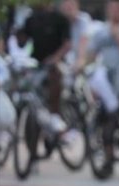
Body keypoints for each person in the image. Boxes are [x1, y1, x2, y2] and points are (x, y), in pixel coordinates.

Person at [85, 0, 119, 170]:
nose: (115, 11)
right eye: (112, 8)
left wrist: (118, 36)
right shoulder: (101, 30)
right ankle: (108, 158)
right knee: (108, 119)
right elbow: (91, 53)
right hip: (107, 82)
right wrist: (83, 68)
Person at [15, 1, 71, 133]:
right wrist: (19, 26)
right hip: (37, 65)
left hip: (57, 63)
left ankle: (55, 115)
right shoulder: (31, 19)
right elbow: (21, 44)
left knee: (55, 75)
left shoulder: (60, 18)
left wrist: (55, 58)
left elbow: (67, 44)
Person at [60, 0, 92, 73]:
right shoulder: (60, 22)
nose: (69, 8)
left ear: (77, 5)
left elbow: (84, 40)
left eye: (71, 5)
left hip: (83, 59)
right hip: (65, 62)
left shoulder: (84, 19)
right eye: (67, 5)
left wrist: (80, 60)